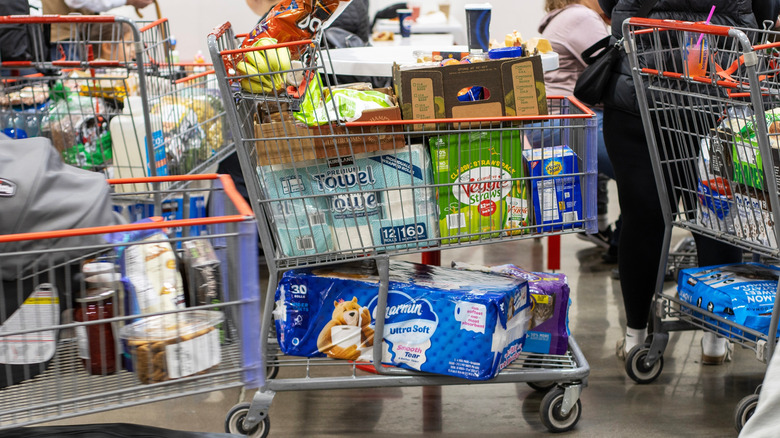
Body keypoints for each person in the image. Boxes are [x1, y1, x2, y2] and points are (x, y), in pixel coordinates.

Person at [598, 0, 780, 362]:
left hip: (639, 91)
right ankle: (717, 338)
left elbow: (607, 3)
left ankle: (636, 335)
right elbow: (766, 10)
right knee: (718, 217)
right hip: (714, 93)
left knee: (644, 215)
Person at [536, 0, 621, 257]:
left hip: (549, 119)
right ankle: (627, 246)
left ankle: (606, 231)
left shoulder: (561, 16)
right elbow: (614, 69)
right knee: (639, 169)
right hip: (566, 121)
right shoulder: (582, 16)